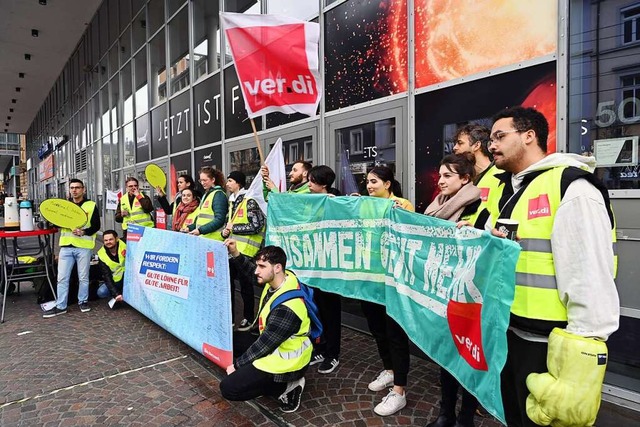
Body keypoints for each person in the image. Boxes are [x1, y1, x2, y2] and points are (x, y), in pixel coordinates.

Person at [489, 107, 619, 427]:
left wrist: (577, 372)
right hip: (516, 336)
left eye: (499, 136)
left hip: (551, 347)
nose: (491, 145)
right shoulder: (517, 191)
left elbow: (589, 276)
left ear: (529, 136)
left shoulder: (572, 188)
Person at [424, 154, 491, 427]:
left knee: (469, 357)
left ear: (465, 178)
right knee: (447, 355)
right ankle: (446, 414)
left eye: (448, 176)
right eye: (440, 175)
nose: (441, 181)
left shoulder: (480, 207)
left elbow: (487, 246)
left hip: (470, 295)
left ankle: (465, 418)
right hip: (442, 290)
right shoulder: (434, 207)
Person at [219, 241, 311, 413]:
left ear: (277, 268)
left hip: (287, 361)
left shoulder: (287, 309)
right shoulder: (283, 278)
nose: (256, 271)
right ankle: (265, 380)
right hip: (274, 344)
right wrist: (236, 253)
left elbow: (263, 346)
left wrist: (236, 366)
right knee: (231, 341)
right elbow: (252, 274)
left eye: (262, 266)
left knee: (229, 388)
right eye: (257, 265)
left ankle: (287, 387)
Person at [361, 166, 413, 416]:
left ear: (388, 184)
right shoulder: (364, 205)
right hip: (370, 281)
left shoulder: (402, 204)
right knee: (378, 331)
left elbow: (409, 232)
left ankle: (399, 389)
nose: (369, 186)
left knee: (395, 334)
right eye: (367, 182)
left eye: (374, 181)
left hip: (392, 283)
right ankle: (389, 370)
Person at [43, 179, 101, 317]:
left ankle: (83, 301)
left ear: (83, 189)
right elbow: (57, 224)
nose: (74, 190)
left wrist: (84, 232)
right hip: (66, 246)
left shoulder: (91, 205)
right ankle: (61, 305)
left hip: (84, 246)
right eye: (72, 188)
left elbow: (96, 226)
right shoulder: (65, 206)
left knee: (83, 277)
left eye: (77, 187)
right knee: (62, 278)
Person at [306, 165, 342, 374]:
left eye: (312, 181)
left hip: (331, 267)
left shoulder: (337, 202)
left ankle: (333, 354)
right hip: (313, 264)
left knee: (331, 311)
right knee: (316, 309)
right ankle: (320, 347)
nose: (308, 184)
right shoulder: (310, 201)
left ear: (324, 185)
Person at [222, 170, 265, 330]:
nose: (227, 183)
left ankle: (249, 318)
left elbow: (256, 225)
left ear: (238, 183)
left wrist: (234, 228)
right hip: (231, 252)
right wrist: (224, 232)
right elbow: (227, 227)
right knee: (230, 286)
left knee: (246, 287)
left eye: (231, 180)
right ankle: (231, 317)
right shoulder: (232, 202)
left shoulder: (249, 201)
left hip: (246, 252)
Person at [452, 124, 502, 214]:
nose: (454, 148)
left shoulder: (500, 176)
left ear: (476, 145)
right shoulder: (464, 180)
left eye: (460, 143)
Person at [188, 166, 228, 240]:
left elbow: (220, 219)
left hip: (215, 239)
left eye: (205, 180)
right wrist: (189, 228)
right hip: (205, 238)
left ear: (213, 179)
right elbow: (201, 219)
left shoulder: (219, 195)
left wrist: (200, 230)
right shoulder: (207, 194)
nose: (202, 183)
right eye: (201, 180)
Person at [96, 230, 126, 302]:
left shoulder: (126, 244)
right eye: (106, 240)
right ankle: (120, 294)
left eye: (111, 239)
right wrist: (116, 294)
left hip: (131, 277)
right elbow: (107, 276)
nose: (108, 242)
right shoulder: (101, 254)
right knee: (101, 292)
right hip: (117, 279)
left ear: (117, 239)